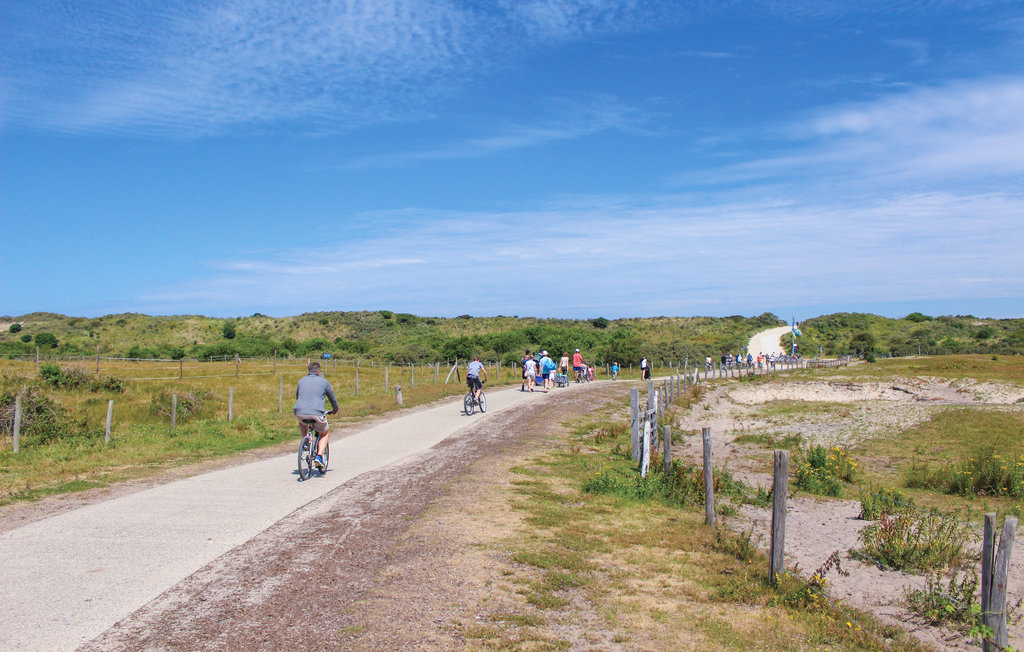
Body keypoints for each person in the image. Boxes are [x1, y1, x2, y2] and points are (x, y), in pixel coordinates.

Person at [294, 361, 339, 472]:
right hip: (317, 413)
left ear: (308, 371)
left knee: (303, 422)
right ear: (319, 372)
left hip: (300, 412)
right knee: (324, 433)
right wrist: (335, 409)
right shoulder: (324, 382)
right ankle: (319, 456)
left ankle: (305, 440)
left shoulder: (301, 381)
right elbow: (332, 398)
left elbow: (298, 396)